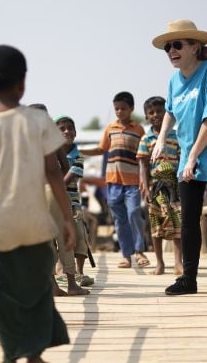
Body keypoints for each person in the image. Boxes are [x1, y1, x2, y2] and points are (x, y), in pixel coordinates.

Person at [0, 45, 72, 363]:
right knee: (38, 289)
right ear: (22, 84)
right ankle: (35, 356)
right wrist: (67, 219)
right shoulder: (39, 121)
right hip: (37, 225)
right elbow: (54, 173)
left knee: (4, 294)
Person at [150, 19, 207, 300]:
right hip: (191, 151)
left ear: (195, 47)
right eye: (168, 47)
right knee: (188, 218)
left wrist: (190, 159)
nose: (172, 51)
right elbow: (169, 110)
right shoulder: (173, 79)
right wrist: (161, 138)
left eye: (178, 45)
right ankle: (188, 278)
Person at [81, 92, 149, 269]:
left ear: (131, 109)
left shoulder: (138, 129)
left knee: (134, 212)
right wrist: (80, 151)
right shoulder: (110, 129)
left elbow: (143, 156)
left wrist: (145, 179)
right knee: (119, 219)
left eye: (123, 108)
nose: (119, 111)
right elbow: (100, 149)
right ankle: (127, 255)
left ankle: (140, 251)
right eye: (117, 109)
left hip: (133, 181)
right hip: (113, 181)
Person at [27, 105, 87, 297]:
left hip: (32, 192)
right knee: (64, 237)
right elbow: (62, 165)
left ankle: (52, 284)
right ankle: (72, 284)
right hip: (53, 189)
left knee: (45, 240)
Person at [136, 97, 183, 276]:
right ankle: (160, 263)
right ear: (147, 116)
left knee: (177, 223)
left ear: (167, 114)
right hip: (156, 188)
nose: (156, 115)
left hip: (175, 188)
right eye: (151, 112)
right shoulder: (146, 139)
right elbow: (143, 165)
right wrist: (145, 187)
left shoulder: (176, 136)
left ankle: (178, 263)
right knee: (156, 226)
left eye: (160, 111)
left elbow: (181, 160)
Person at [54, 115, 96, 286]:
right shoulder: (50, 154)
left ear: (75, 132)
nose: (67, 131)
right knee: (56, 238)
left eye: (70, 128)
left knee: (79, 236)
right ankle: (61, 270)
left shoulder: (77, 156)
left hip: (72, 204)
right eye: (62, 129)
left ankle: (79, 272)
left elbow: (67, 179)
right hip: (53, 203)